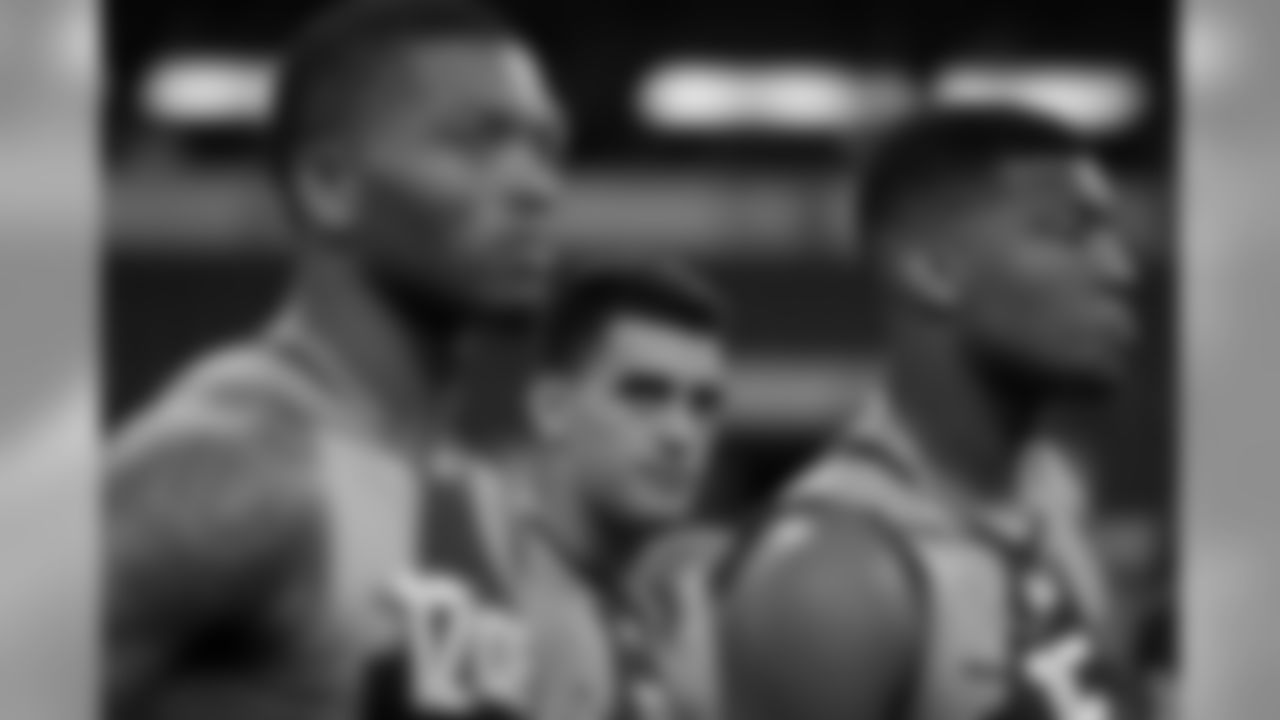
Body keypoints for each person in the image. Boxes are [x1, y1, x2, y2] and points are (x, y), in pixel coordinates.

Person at [105, 1, 566, 719]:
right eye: (477, 144)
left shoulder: (477, 492)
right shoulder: (227, 465)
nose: (536, 187)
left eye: (546, 148)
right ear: (330, 185)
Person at [717, 107, 1142, 720]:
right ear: (933, 271)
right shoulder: (831, 580)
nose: (1119, 270)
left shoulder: (1053, 500)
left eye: (1111, 236)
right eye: (1067, 232)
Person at [504, 264, 730, 720]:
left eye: (703, 404)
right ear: (551, 408)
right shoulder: (486, 594)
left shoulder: (672, 623)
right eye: (644, 393)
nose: (680, 433)